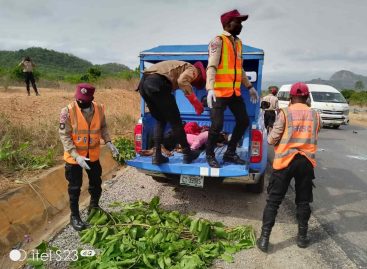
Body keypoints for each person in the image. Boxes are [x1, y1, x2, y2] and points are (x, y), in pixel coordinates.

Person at [257, 82, 321, 252]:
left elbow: (272, 139)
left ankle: (264, 240)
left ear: (291, 97)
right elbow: (315, 133)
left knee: (273, 201)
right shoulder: (315, 114)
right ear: (307, 97)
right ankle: (302, 238)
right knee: (303, 201)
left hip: (285, 161)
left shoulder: (285, 113)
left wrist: (274, 139)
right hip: (306, 162)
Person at [59, 83, 119, 231]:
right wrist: (76, 156)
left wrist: (109, 142)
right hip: (74, 158)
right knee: (74, 188)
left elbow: (103, 127)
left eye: (84, 100)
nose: (81, 102)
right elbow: (64, 136)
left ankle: (94, 207)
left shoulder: (99, 109)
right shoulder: (67, 111)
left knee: (96, 184)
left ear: (92, 98)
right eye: (79, 99)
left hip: (92, 155)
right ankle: (74, 216)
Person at [205, 9, 259, 168]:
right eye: (238, 22)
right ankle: (210, 154)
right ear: (228, 24)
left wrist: (249, 87)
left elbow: (239, 69)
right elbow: (211, 66)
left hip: (234, 93)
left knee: (243, 121)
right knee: (217, 126)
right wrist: (210, 88)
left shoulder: (238, 43)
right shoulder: (218, 41)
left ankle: (229, 153)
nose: (241, 25)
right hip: (219, 93)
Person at [137, 60, 206, 165]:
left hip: (144, 85)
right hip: (157, 83)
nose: (194, 82)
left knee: (160, 120)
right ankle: (188, 154)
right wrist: (196, 104)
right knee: (176, 122)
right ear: (200, 74)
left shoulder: (177, 67)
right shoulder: (193, 69)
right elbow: (182, 81)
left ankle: (157, 156)